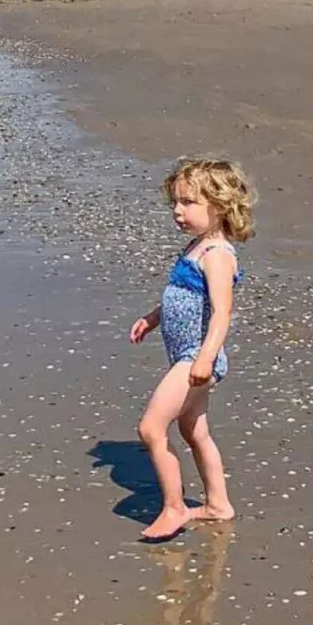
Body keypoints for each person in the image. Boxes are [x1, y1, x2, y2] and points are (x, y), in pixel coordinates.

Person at [128, 157, 254, 540]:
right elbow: (180, 296)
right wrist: (153, 318)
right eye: (175, 204)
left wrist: (204, 357)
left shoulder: (218, 255)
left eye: (188, 203)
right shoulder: (197, 246)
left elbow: (221, 313)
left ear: (220, 205)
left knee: (151, 428)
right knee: (193, 430)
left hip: (196, 358)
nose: (178, 212)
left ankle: (174, 507)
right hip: (188, 355)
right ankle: (218, 504)